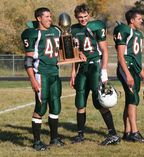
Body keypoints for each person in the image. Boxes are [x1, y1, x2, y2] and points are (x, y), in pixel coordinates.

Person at [70, 3, 120, 145]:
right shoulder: (73, 30)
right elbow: (74, 53)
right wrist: (73, 72)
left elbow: (104, 51)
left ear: (89, 15)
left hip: (95, 67)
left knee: (99, 102)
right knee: (80, 102)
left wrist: (103, 71)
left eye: (85, 16)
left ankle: (113, 134)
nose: (83, 19)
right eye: (80, 17)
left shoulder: (96, 26)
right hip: (82, 68)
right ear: (76, 17)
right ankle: (80, 135)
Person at [21, 7, 64, 151]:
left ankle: (54, 138)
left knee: (56, 106)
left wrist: (78, 55)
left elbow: (62, 51)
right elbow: (28, 61)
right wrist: (33, 79)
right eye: (46, 17)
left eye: (50, 16)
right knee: (40, 107)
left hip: (54, 73)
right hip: (41, 74)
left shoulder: (56, 31)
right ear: (39, 18)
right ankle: (37, 142)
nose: (50, 19)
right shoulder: (33, 34)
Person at [113, 9, 144, 143]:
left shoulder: (139, 34)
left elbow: (136, 59)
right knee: (133, 99)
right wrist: (127, 74)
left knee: (130, 100)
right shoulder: (124, 30)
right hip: (126, 69)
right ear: (132, 20)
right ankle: (135, 132)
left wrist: (143, 75)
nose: (142, 21)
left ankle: (127, 132)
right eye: (139, 18)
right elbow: (120, 55)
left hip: (134, 69)